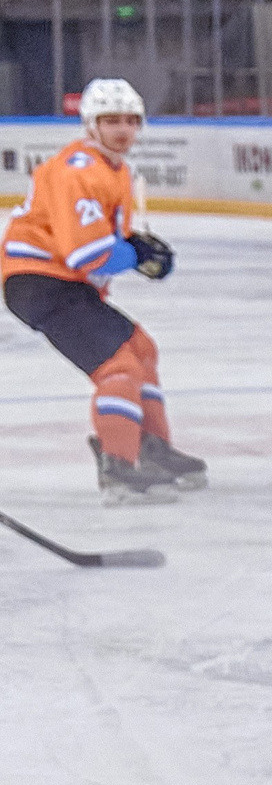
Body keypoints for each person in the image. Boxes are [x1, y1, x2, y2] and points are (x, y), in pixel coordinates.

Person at [2, 77, 199, 501]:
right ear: (90, 124)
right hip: (41, 283)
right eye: (111, 120)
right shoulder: (78, 171)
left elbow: (101, 249)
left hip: (61, 286)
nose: (122, 129)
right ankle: (119, 467)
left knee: (141, 350)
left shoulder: (115, 170)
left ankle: (153, 450)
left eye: (130, 120)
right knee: (119, 369)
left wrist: (134, 252)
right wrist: (136, 255)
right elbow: (86, 256)